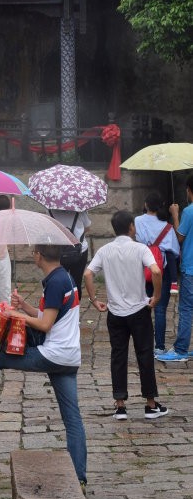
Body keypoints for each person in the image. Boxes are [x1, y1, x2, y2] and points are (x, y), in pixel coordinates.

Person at [0, 243, 87, 487]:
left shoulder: (55, 282)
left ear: (38, 256)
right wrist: (24, 306)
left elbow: (45, 325)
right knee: (73, 420)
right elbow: (49, 316)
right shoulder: (63, 277)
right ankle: (79, 479)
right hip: (69, 357)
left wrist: (16, 316)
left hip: (53, 354)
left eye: (33, 252)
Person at [84, 210, 168, 420]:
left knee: (118, 356)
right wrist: (156, 296)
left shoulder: (105, 250)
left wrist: (94, 300)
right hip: (139, 309)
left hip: (115, 312)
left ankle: (120, 404)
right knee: (144, 355)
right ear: (131, 226)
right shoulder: (140, 248)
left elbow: (88, 273)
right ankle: (150, 404)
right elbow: (156, 272)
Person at [134, 191, 179, 354]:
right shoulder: (167, 227)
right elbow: (174, 251)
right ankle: (159, 346)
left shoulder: (137, 221)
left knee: (143, 307)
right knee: (160, 310)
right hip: (161, 271)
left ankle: (143, 345)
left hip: (142, 269)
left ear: (146, 205)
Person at [157, 176, 193, 362]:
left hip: (190, 268)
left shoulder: (189, 211)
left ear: (189, 190)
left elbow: (179, 238)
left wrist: (175, 214)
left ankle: (180, 350)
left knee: (186, 309)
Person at [49, 208, 92, 302]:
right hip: (79, 250)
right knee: (76, 281)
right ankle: (75, 307)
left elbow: (49, 229)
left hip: (58, 250)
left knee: (58, 279)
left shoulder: (50, 210)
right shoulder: (80, 209)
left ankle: (58, 306)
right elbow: (88, 227)